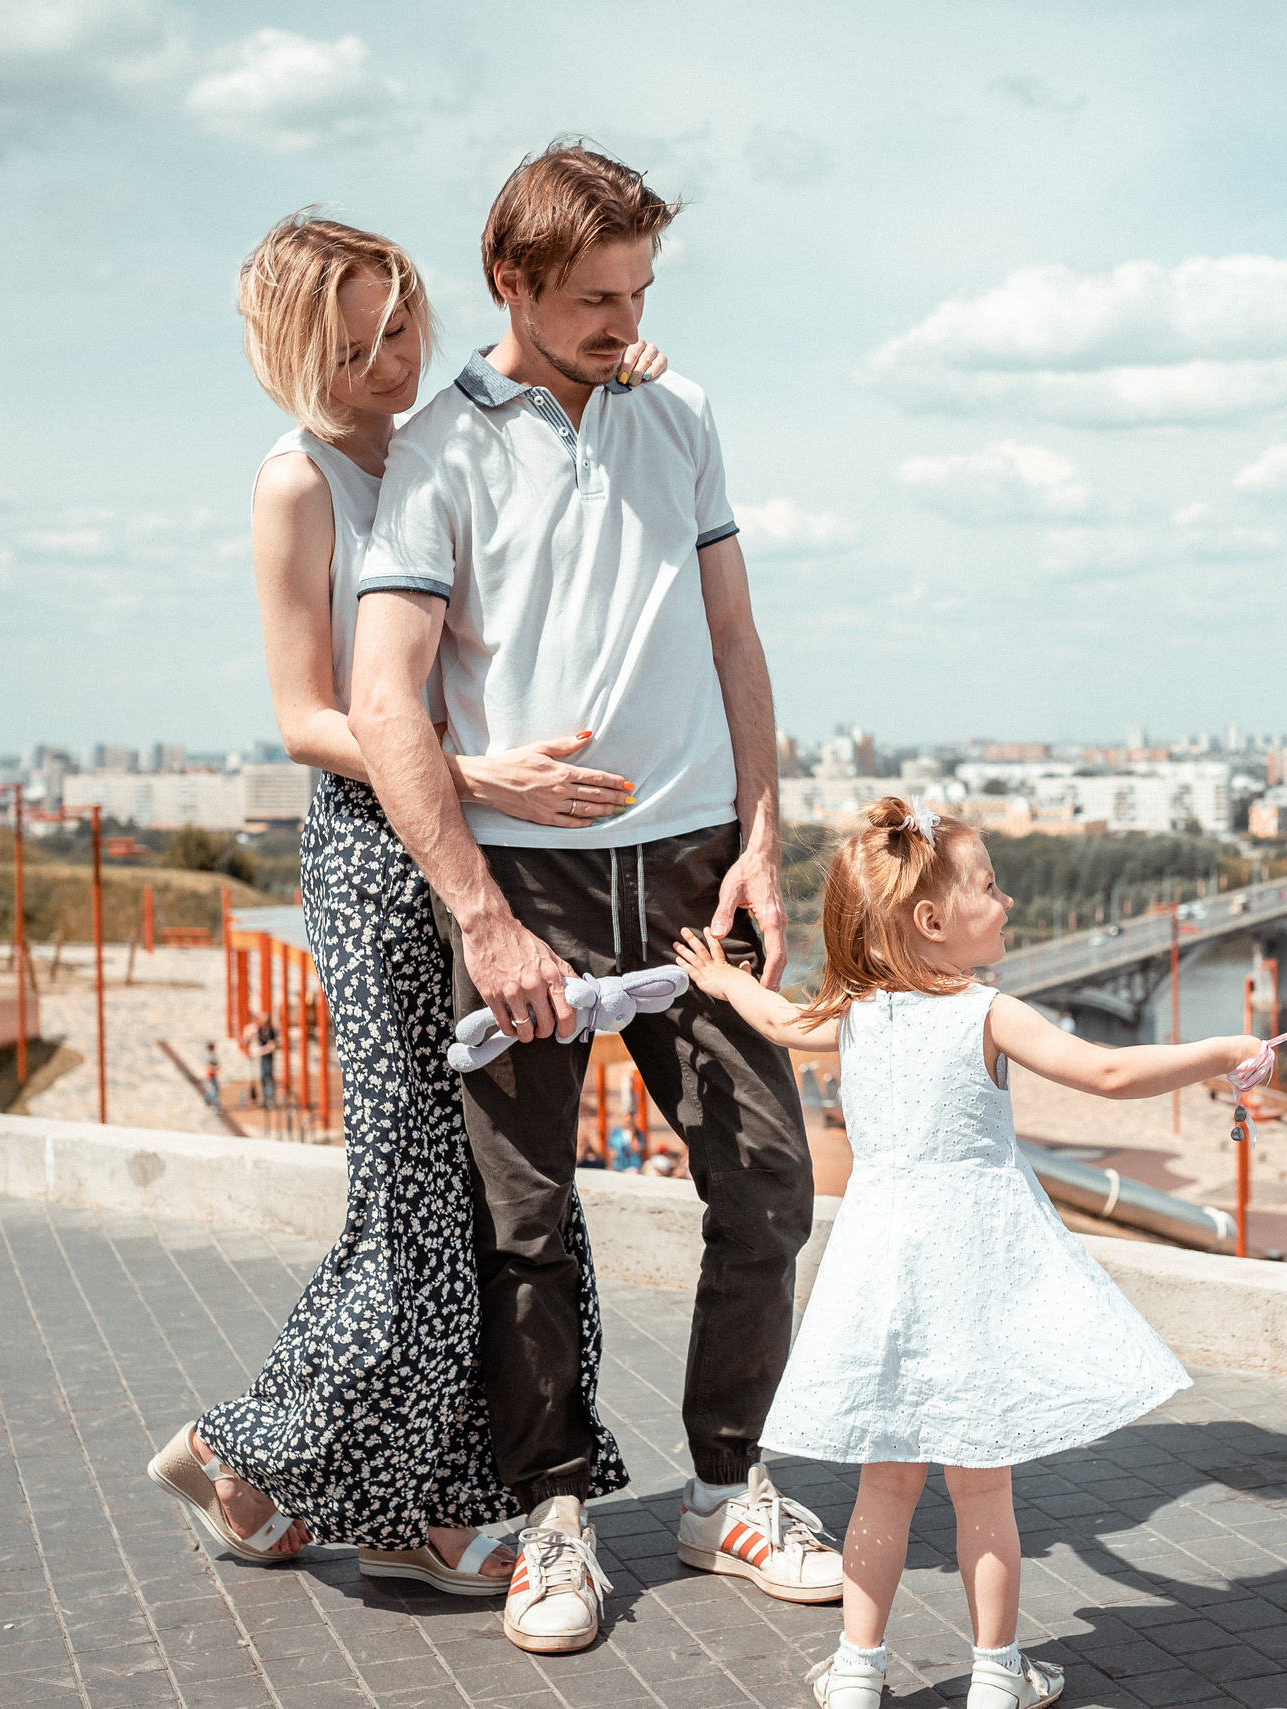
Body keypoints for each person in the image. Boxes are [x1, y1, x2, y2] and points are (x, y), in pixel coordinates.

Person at [350, 140, 836, 1654]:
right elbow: (383, 702)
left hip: (697, 870)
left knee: (768, 1188)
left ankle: (730, 1487)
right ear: (514, 283)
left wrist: (764, 837)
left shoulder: (680, 413)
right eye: (596, 299)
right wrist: (483, 919)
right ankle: (553, 1516)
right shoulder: (435, 452)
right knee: (525, 1216)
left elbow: (738, 639)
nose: (627, 322)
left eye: (640, 293)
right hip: (532, 887)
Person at [147, 212, 657, 1608]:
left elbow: (553, 387)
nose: (391, 359)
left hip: (477, 843)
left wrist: (622, 363)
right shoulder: (295, 482)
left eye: (402, 327)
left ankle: (400, 1500)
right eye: (358, 341)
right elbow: (307, 714)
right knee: (418, 1203)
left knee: (480, 1194)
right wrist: (460, 765)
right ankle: (272, 1460)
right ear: (297, 346)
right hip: (380, 850)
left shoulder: (444, 431)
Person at [673, 798, 1272, 1709]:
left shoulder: (856, 1015)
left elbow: (779, 1019)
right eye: (989, 885)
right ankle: (997, 1674)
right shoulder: (988, 1012)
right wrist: (1223, 1049)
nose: (1006, 897)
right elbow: (1107, 1073)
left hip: (886, 1275)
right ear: (932, 921)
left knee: (885, 1483)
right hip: (975, 1269)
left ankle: (857, 1671)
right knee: (982, 1487)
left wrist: (722, 984)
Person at [247, 1011, 277, 1107]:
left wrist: (266, 1049)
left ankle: (271, 1098)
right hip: (262, 1057)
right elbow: (257, 1042)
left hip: (269, 1058)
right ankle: (264, 1098)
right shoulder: (259, 1031)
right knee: (263, 1077)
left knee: (269, 1077)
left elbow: (272, 1046)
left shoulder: (271, 1032)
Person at [202, 1040, 221, 1110]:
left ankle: (206, 1099)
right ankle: (215, 1104)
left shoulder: (213, 1055)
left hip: (213, 1074)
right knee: (215, 1089)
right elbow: (209, 1065)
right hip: (210, 1074)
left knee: (214, 1089)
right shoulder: (209, 1056)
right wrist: (215, 1069)